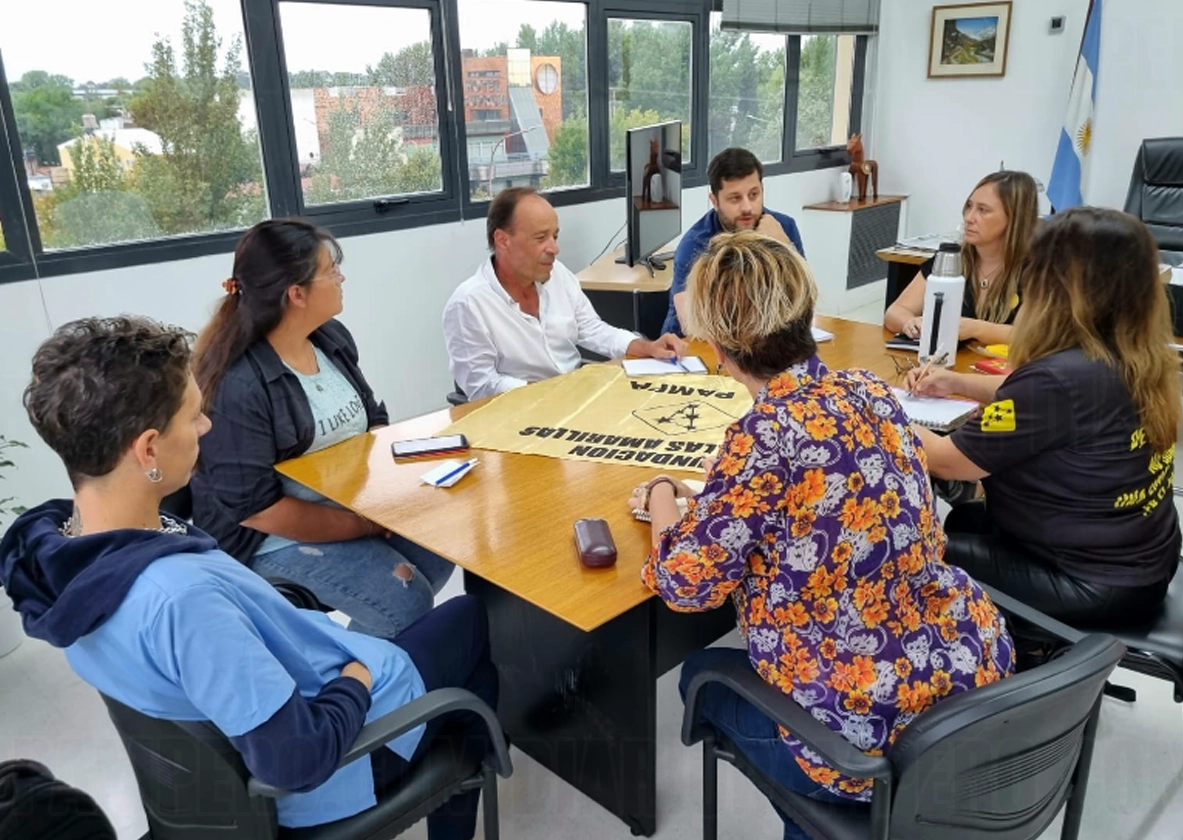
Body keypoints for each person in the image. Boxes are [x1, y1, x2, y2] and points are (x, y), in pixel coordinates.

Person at [0, 316, 498, 837]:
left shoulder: (55, 551)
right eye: (194, 416)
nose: (206, 427)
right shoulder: (182, 602)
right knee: (471, 619)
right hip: (334, 767)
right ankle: (463, 780)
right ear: (148, 450)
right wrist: (358, 677)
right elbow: (297, 761)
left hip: (229, 761)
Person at [632, 232, 1014, 838]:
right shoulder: (872, 391)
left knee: (699, 675)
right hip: (967, 680)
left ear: (722, 350)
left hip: (864, 737)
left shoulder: (763, 436)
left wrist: (660, 495)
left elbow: (684, 584)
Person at [906, 207, 1183, 627]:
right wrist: (957, 382)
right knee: (965, 519)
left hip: (1088, 581)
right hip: (1143, 562)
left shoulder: (1056, 379)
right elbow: (1041, 400)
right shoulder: (1134, 353)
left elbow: (947, 461)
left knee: (911, 552)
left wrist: (874, 407)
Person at [191, 219, 454, 638]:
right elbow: (258, 511)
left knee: (442, 546)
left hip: (345, 506)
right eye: (332, 271)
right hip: (269, 540)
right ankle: (352, 671)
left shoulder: (329, 337)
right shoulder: (239, 385)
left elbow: (372, 417)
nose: (341, 278)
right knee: (406, 600)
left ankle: (362, 653)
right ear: (296, 294)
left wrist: (389, 498)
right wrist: (364, 524)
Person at [443, 187, 687, 401]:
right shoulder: (468, 304)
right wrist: (552, 393)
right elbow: (482, 386)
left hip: (573, 397)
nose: (554, 249)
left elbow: (592, 329)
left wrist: (647, 347)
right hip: (519, 413)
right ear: (502, 240)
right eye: (541, 238)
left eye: (555, 236)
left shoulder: (557, 273)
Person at [660, 147, 805, 337]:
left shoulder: (783, 228)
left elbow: (805, 301)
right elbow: (690, 324)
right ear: (714, 201)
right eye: (735, 198)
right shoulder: (695, 244)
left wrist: (784, 248)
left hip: (764, 339)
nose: (747, 208)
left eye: (754, 195)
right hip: (694, 345)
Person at [884, 170, 1038, 346]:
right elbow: (895, 312)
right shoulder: (950, 259)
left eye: (983, 210)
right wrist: (910, 323)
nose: (969, 217)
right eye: (969, 206)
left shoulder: (1038, 270)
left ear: (1015, 218)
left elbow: (1036, 337)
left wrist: (976, 329)